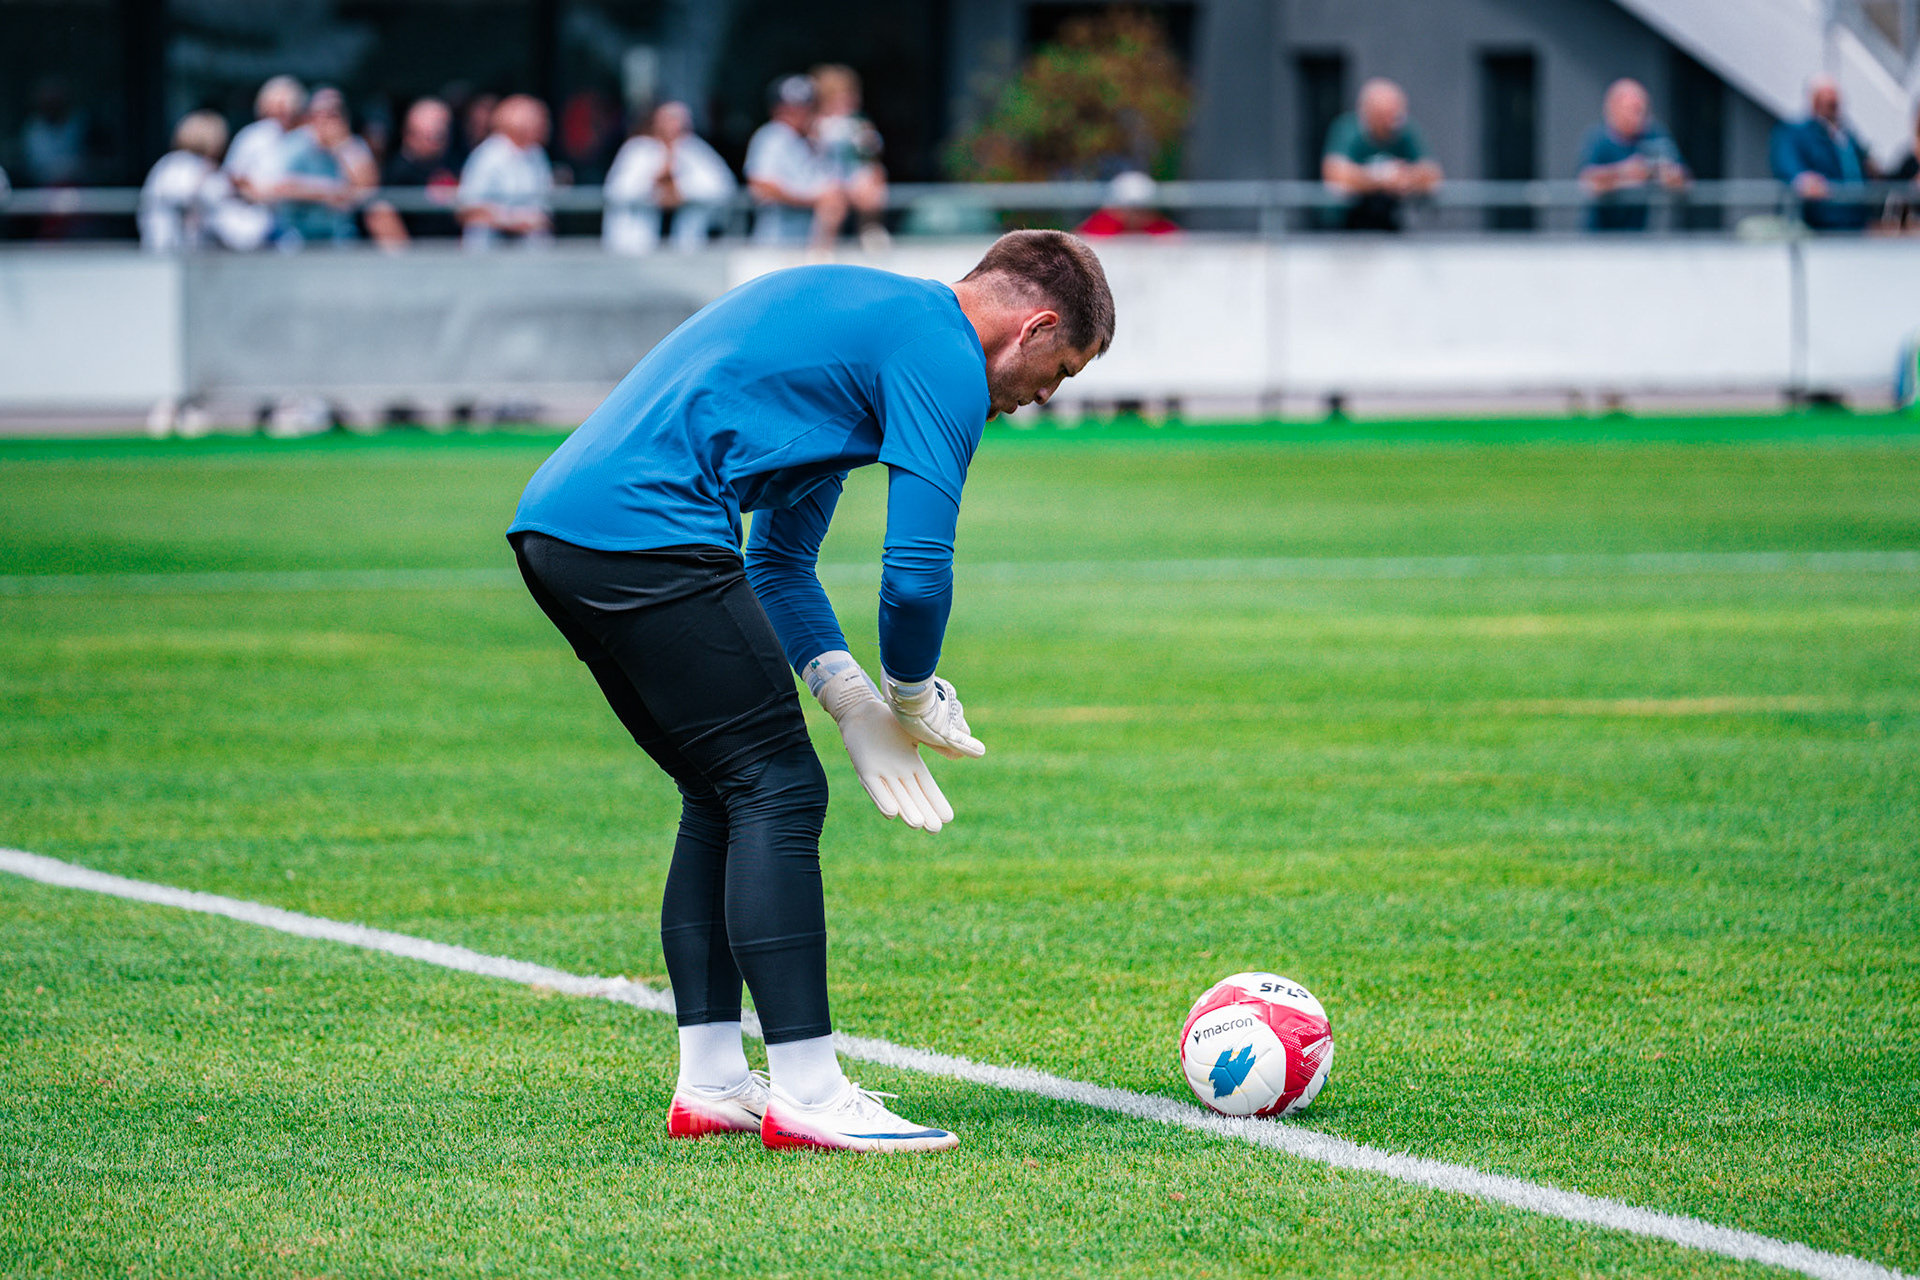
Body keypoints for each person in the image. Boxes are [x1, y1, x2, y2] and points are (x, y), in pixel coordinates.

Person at [505, 230, 1114, 1152]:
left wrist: (854, 702)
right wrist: (909, 694)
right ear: (1033, 328)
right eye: (1058, 371)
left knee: (721, 792)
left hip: (562, 529)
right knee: (778, 788)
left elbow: (780, 562)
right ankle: (808, 1088)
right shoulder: (941, 351)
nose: (1042, 399)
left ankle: (712, 1080)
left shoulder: (877, 329)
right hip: (645, 529)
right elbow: (913, 573)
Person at [602, 101, 737, 254]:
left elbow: (723, 188)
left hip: (687, 248)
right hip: (635, 246)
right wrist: (655, 184)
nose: (674, 127)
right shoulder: (637, 150)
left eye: (679, 122)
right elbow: (617, 191)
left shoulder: (695, 150)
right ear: (656, 124)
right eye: (668, 121)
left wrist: (681, 190)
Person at [1321, 78, 1442, 232]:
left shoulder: (1405, 131)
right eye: (1383, 115)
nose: (1391, 121)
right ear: (1367, 112)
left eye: (1396, 114)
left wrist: (1405, 177)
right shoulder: (1347, 129)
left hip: (1389, 221)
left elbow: (1432, 174)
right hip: (1346, 225)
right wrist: (1381, 177)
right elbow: (1334, 174)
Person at [745, 75, 845, 247]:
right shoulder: (771, 136)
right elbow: (761, 185)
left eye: (805, 108)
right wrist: (810, 199)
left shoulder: (815, 140)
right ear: (777, 110)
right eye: (791, 109)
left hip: (810, 242)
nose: (799, 115)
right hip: (776, 242)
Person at [1578, 79, 1688, 232]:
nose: (1639, 116)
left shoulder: (1654, 135)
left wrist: (1660, 173)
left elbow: (1683, 180)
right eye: (1632, 110)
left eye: (1642, 110)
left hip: (1638, 235)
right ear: (1613, 110)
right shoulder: (1599, 139)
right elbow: (1588, 181)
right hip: (1600, 236)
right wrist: (1625, 172)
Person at [272, 87, 379, 246]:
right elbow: (281, 186)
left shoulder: (353, 146)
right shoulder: (296, 143)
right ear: (310, 117)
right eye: (321, 114)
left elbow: (368, 189)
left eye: (333, 114)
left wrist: (341, 147)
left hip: (340, 231)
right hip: (298, 230)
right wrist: (326, 192)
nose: (326, 121)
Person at [1771, 75, 1876, 233]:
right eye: (1827, 101)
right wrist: (1802, 179)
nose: (1833, 106)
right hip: (1821, 222)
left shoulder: (1847, 135)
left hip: (1855, 222)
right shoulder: (1798, 133)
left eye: (1835, 102)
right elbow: (1786, 161)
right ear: (1814, 101)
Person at [457, 95, 554, 249]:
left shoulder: (537, 154)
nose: (545, 124)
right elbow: (468, 208)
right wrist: (513, 221)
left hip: (532, 255)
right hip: (490, 255)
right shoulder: (488, 155)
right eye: (537, 119)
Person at [811, 64, 889, 248]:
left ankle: (870, 230)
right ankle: (822, 247)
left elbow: (873, 154)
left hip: (853, 176)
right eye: (840, 98)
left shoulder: (859, 123)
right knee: (832, 200)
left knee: (872, 180)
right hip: (826, 176)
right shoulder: (816, 124)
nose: (850, 101)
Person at [139, 111, 234, 251]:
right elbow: (192, 195)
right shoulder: (180, 164)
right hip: (171, 248)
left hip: (182, 249)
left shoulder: (169, 163)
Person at [383, 97, 461, 239]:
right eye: (429, 136)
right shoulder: (397, 171)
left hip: (453, 252)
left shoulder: (453, 161)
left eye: (441, 135)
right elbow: (382, 216)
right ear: (409, 134)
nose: (437, 141)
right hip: (418, 255)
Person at [1076, 170, 1181, 236]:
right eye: (1132, 209)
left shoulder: (1159, 227)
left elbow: (1179, 243)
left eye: (1141, 209)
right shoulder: (1101, 225)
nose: (1136, 215)